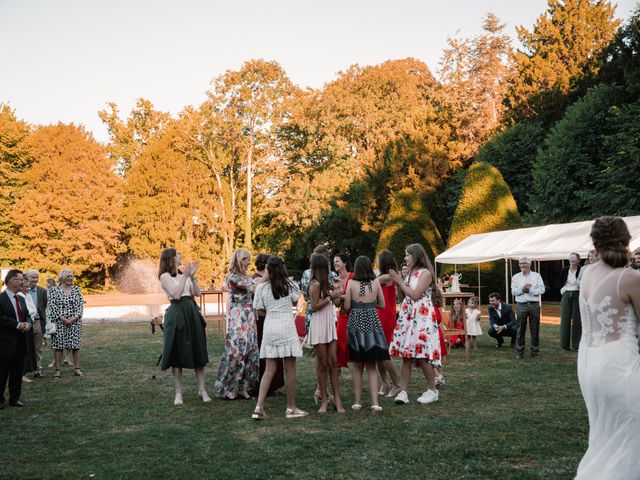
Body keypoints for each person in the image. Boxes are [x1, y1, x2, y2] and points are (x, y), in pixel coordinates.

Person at [575, 216, 640, 479]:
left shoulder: (587, 274)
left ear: (595, 242)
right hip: (618, 363)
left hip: (589, 363)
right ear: (626, 241)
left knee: (604, 433)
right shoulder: (630, 277)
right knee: (630, 431)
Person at [251, 256, 307, 420]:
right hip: (286, 327)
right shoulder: (290, 285)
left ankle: (258, 407)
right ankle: (291, 408)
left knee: (269, 369)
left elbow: (259, 311)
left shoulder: (261, 288)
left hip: (270, 327)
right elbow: (296, 303)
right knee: (290, 369)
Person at [388, 243, 442, 405]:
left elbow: (415, 294)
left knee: (422, 355)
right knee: (407, 355)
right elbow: (404, 298)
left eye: (407, 255)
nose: (405, 258)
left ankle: (432, 390)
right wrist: (398, 284)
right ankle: (403, 392)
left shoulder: (425, 274)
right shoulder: (410, 273)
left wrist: (400, 281)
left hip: (422, 317)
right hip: (409, 316)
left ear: (416, 255)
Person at [158, 248, 210, 406]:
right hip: (177, 313)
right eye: (178, 254)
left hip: (191, 312)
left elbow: (197, 293)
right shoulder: (164, 277)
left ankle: (202, 390)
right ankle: (178, 393)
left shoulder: (184, 275)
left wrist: (192, 277)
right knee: (177, 354)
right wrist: (186, 276)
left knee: (198, 350)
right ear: (171, 258)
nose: (181, 256)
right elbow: (176, 294)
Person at [343, 255, 389, 412]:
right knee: (372, 366)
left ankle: (357, 402)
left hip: (356, 324)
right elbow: (382, 304)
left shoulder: (351, 282)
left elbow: (347, 306)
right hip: (372, 324)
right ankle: (375, 402)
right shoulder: (376, 282)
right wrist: (370, 304)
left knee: (357, 366)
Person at [214, 248, 259, 399]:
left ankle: (243, 386)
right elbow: (252, 288)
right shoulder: (232, 277)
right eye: (246, 259)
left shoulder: (248, 276)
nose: (249, 262)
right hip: (238, 317)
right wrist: (265, 278)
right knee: (237, 351)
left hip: (249, 317)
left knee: (250, 350)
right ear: (240, 260)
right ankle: (229, 387)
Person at [308, 253, 344, 413]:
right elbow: (314, 307)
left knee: (333, 362)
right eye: (328, 266)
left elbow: (336, 302)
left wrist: (337, 292)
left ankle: (337, 399)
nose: (331, 268)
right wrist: (330, 297)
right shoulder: (314, 284)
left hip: (330, 322)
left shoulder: (328, 283)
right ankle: (324, 399)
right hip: (319, 324)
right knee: (322, 364)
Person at [253, 253, 284, 397]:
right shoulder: (257, 279)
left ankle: (275, 384)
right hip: (263, 319)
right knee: (265, 353)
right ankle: (265, 385)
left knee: (276, 354)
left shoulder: (273, 279)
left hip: (272, 317)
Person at [0, 270, 32, 408]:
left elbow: (27, 315)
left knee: (17, 372)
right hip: (5, 343)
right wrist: (18, 325)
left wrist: (28, 324)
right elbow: (1, 318)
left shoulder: (21, 298)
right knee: (2, 373)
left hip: (20, 341)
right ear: (12, 280)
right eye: (20, 279)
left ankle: (15, 398)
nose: (23, 282)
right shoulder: (1, 299)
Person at [48, 269, 85, 379]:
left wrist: (74, 318)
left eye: (72, 276)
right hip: (59, 322)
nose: (70, 278)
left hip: (75, 323)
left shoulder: (76, 289)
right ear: (63, 277)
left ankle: (77, 369)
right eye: (68, 276)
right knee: (58, 346)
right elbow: (52, 306)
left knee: (75, 346)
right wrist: (63, 318)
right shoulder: (54, 290)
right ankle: (58, 370)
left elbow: (80, 306)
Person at [375, 250, 401, 397]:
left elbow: (372, 283)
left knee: (383, 351)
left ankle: (397, 384)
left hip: (385, 316)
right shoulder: (387, 276)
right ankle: (385, 383)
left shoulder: (388, 276)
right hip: (381, 314)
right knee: (378, 351)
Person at [511, 257, 545, 359]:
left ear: (529, 264)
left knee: (535, 329)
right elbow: (513, 292)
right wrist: (522, 288)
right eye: (520, 263)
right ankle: (519, 351)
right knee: (520, 329)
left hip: (534, 304)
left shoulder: (536, 276)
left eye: (524, 263)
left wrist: (530, 291)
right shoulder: (515, 277)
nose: (522, 265)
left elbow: (542, 289)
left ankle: (534, 351)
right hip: (521, 305)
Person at [24, 270, 47, 378]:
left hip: (37, 322)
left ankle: (38, 370)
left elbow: (44, 306)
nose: (35, 279)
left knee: (38, 348)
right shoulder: (22, 290)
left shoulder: (42, 291)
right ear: (26, 278)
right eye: (32, 277)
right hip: (24, 323)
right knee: (26, 347)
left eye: (36, 277)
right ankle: (25, 371)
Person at [333, 253, 353, 371]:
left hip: (355, 314)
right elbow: (336, 303)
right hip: (343, 314)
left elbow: (357, 296)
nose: (335, 263)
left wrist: (342, 296)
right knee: (339, 342)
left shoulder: (353, 276)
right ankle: (338, 367)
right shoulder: (335, 280)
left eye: (337, 261)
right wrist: (336, 294)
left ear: (344, 263)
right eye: (334, 261)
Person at [559, 252, 582, 351]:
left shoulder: (581, 269)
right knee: (565, 319)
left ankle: (576, 345)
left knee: (577, 319)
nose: (572, 259)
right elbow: (560, 281)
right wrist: (563, 290)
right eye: (570, 258)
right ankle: (564, 345)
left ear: (578, 260)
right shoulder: (565, 270)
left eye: (574, 258)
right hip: (566, 293)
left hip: (578, 294)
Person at [18, 277, 37, 383]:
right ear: (21, 286)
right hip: (23, 326)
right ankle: (22, 374)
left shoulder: (28, 296)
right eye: (25, 283)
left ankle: (27, 371)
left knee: (30, 348)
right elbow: (26, 312)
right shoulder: (19, 296)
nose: (28, 285)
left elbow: (33, 310)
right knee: (23, 350)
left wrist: (30, 319)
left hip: (30, 324)